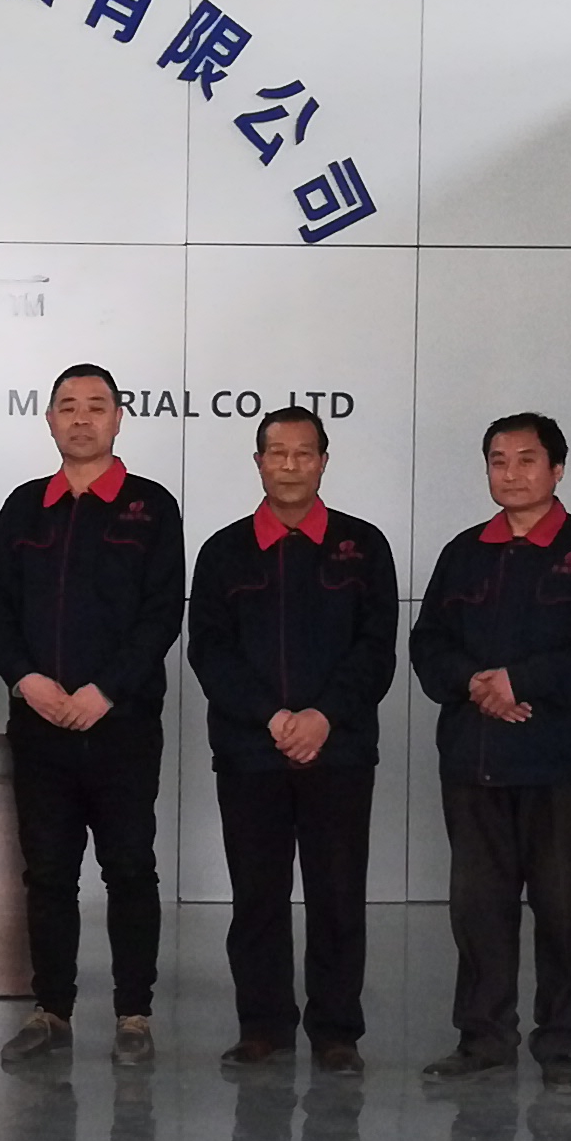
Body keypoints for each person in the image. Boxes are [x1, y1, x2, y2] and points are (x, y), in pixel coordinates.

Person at [0, 364, 184, 1068]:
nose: (82, 418)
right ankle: (50, 1010)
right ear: (50, 420)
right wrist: (26, 679)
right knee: (47, 874)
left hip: (121, 726)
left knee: (130, 870)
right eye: (68, 406)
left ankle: (134, 1014)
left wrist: (107, 690)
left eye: (96, 406)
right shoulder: (24, 507)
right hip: (39, 725)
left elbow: (161, 612)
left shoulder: (151, 507)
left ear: (119, 418)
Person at [407, 411, 571, 1083]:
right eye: (498, 461)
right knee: (478, 908)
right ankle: (483, 1037)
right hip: (473, 760)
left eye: (527, 460)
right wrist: (475, 684)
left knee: (561, 907)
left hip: (559, 763)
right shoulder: (464, 552)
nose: (512, 473)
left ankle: (560, 1042)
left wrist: (520, 682)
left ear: (557, 469)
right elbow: (427, 644)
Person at [185, 404, 397, 1071]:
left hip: (340, 750)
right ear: (258, 463)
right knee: (257, 896)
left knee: (338, 895)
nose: (290, 465)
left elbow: (376, 649)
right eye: (277, 453)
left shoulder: (364, 546)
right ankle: (264, 1025)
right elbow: (210, 651)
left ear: (324, 461)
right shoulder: (223, 552)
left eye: (304, 453)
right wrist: (272, 719)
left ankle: (337, 1032)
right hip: (250, 752)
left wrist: (323, 717)